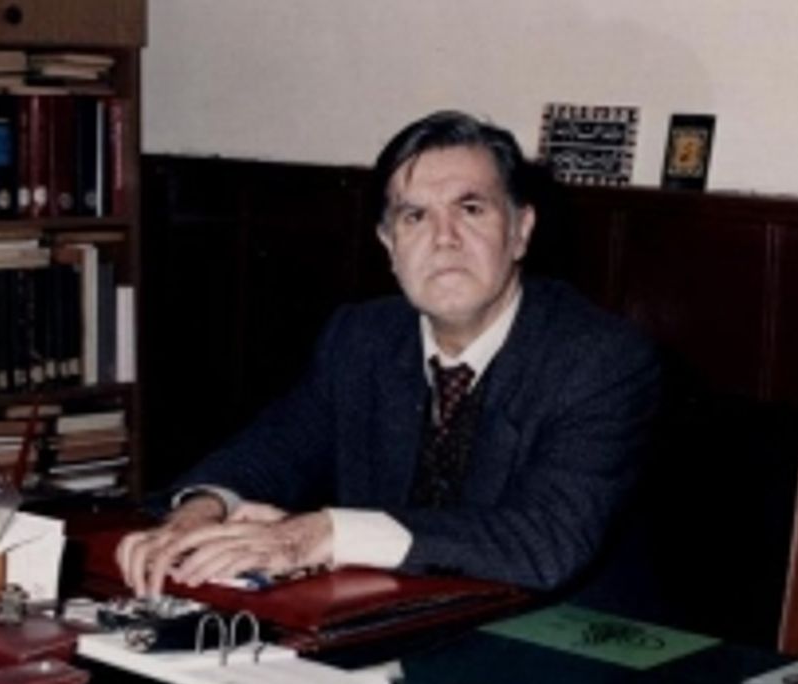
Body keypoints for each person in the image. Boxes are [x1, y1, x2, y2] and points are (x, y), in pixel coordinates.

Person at [116, 110, 660, 596]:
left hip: (557, 644)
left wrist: (324, 534)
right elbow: (276, 448)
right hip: (396, 623)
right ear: (388, 245)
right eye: (414, 216)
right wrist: (203, 508)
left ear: (520, 230)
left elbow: (544, 541)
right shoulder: (362, 337)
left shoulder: (600, 359)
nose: (444, 238)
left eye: (471, 209)